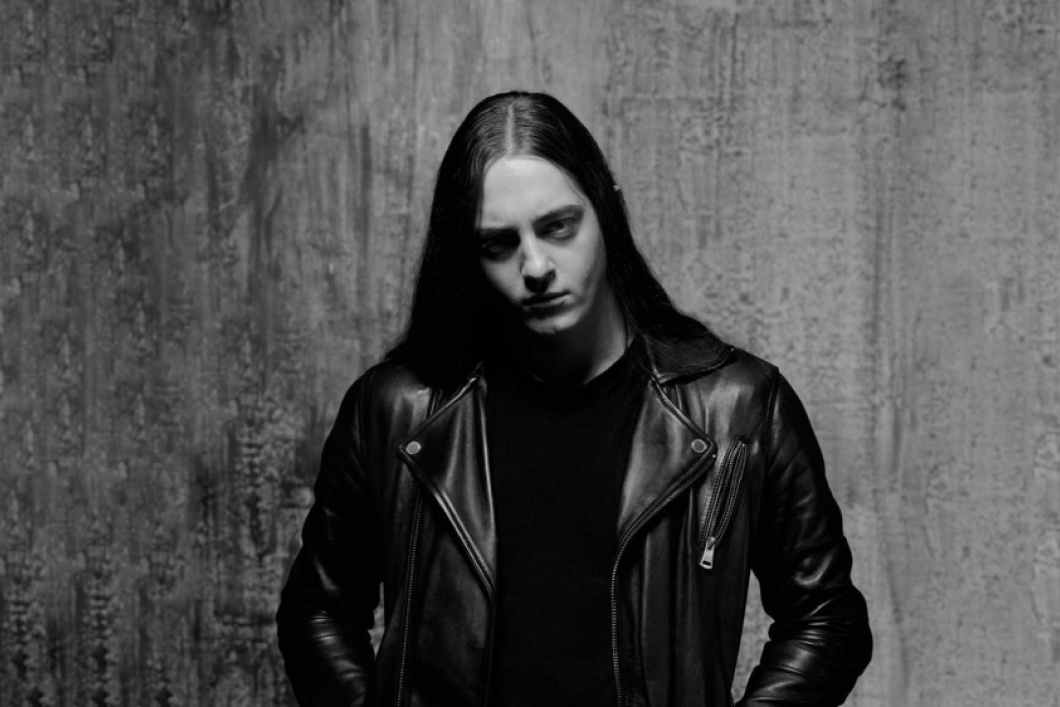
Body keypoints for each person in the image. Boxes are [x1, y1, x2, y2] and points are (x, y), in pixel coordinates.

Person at [276, 91, 872, 707]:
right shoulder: (394, 410)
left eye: (558, 226)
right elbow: (317, 612)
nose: (535, 266)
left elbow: (828, 618)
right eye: (499, 244)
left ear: (606, 209)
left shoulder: (739, 406)